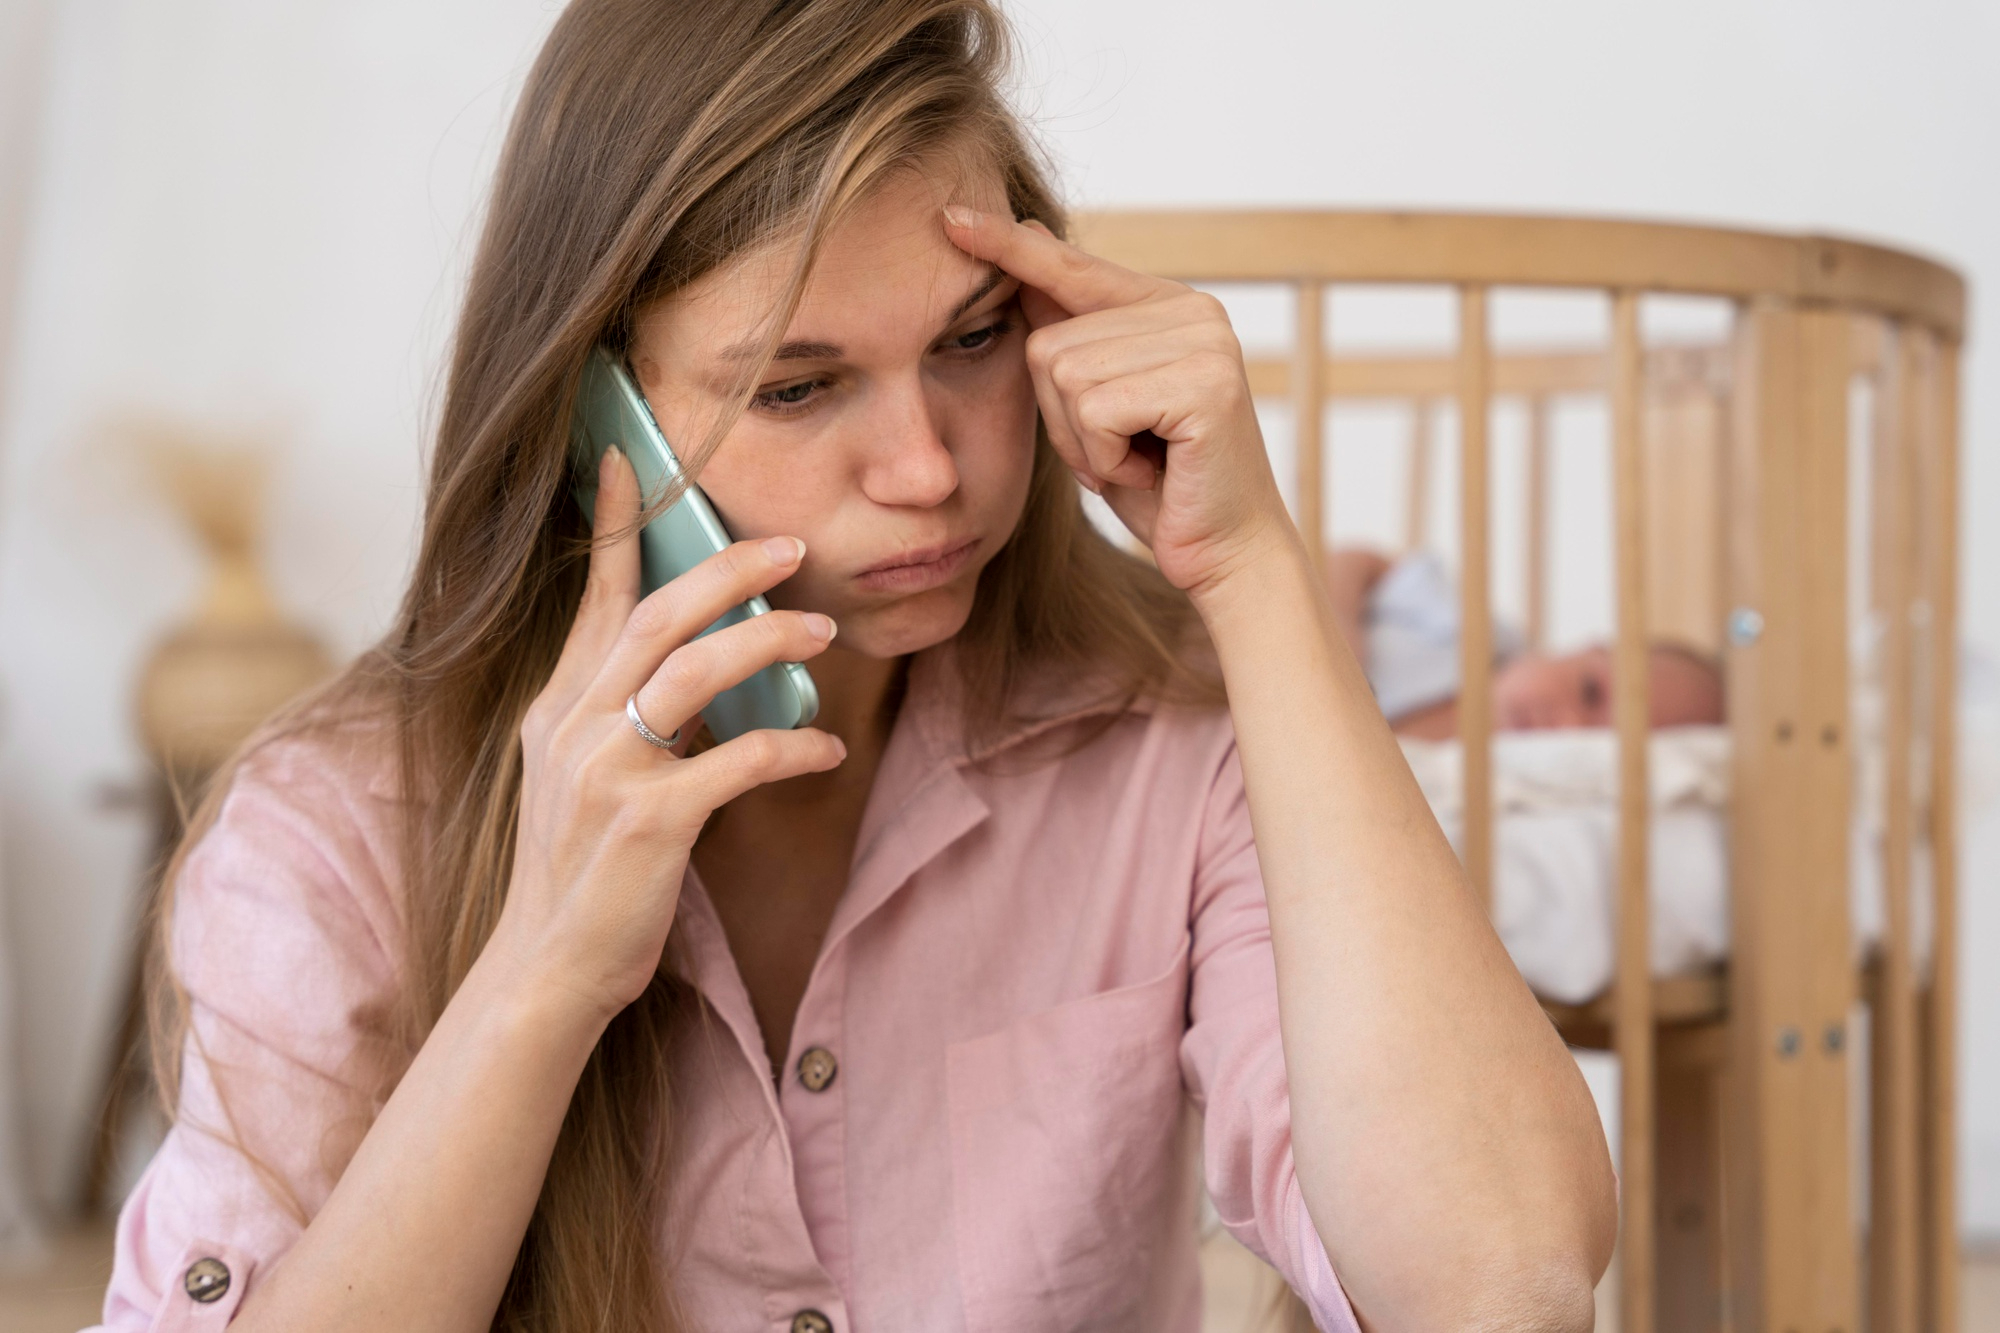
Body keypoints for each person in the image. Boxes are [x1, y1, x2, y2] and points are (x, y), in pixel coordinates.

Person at [99, 3, 1615, 1330]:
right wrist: (539, 981)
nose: (928, 467)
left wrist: (1256, 574)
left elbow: (1503, 1287)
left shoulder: (1171, 754)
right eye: (801, 385)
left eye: (971, 342)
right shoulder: (333, 831)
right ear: (591, 423)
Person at [1321, 546, 1726, 741]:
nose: (1565, 726)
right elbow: (1350, 560)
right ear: (1579, 649)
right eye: (1590, 694)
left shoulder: (1487, 790)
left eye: (1595, 743)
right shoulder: (1475, 632)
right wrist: (1336, 637)